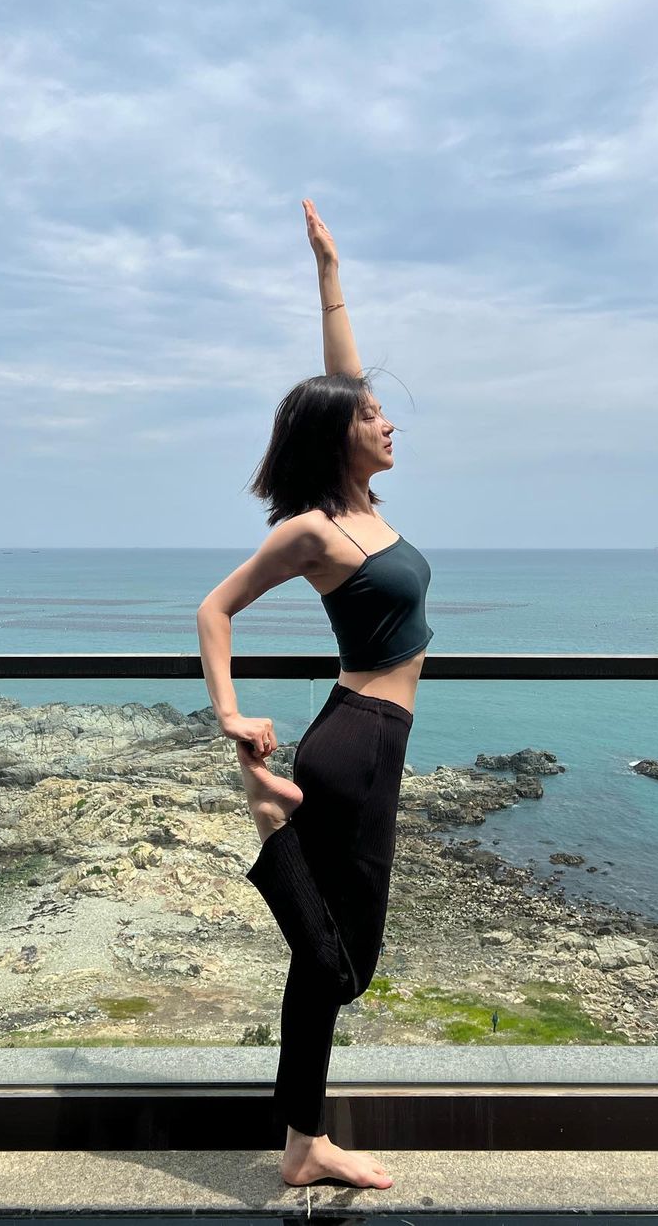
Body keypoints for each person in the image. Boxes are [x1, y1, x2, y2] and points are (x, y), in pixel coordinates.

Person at [196, 199, 435, 1191]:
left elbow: (343, 375)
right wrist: (229, 714)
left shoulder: (367, 509)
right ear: (343, 438)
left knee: (323, 966)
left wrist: (330, 272)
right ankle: (270, 824)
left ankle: (302, 1146)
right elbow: (214, 610)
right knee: (343, 966)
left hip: (371, 738)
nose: (387, 419)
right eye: (372, 416)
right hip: (357, 745)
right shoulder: (313, 531)